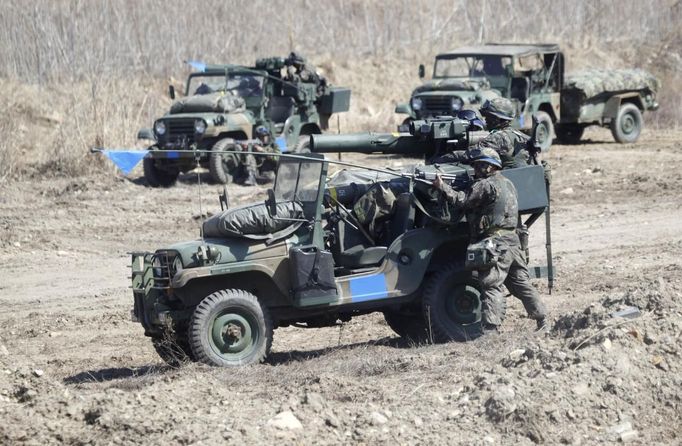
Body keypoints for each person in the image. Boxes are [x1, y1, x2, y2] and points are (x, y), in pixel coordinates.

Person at [432, 147, 548, 333]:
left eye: (478, 166)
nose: (475, 170)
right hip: (512, 241)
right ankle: (543, 320)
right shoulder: (508, 183)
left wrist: (442, 187)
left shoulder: (486, 185)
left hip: (496, 243)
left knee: (491, 284)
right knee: (521, 284)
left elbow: (462, 200)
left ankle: (491, 329)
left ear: (488, 167)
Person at [432, 97, 531, 169]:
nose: (486, 120)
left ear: (500, 120)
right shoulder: (518, 134)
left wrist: (442, 158)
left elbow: (470, 154)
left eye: (489, 117)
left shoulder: (499, 137)